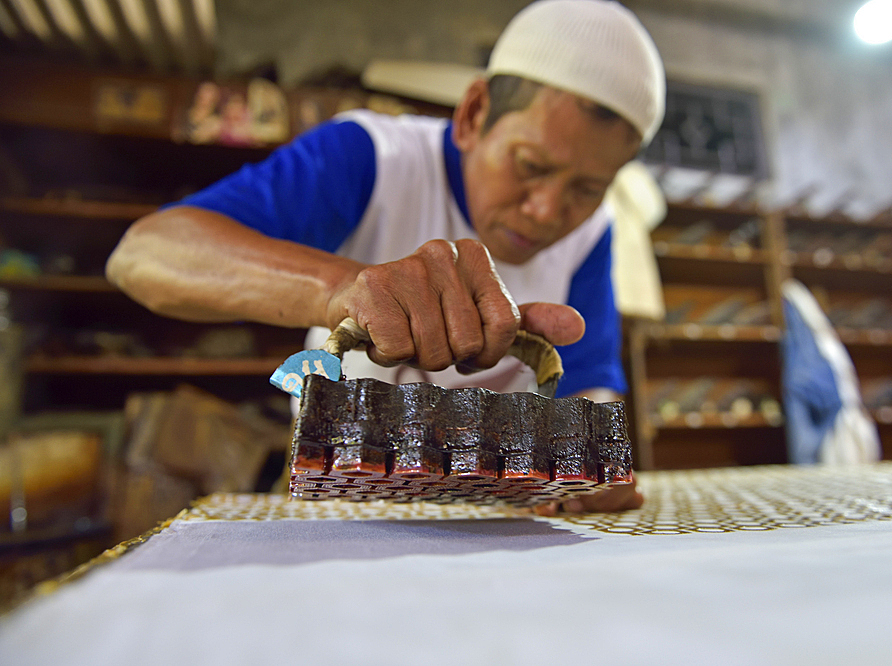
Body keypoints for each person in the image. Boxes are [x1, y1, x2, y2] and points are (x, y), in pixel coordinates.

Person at [106, 0, 665, 514]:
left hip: (503, 512)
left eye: (587, 188)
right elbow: (144, 253)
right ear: (473, 114)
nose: (549, 211)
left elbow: (588, 377)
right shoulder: (373, 159)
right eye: (530, 165)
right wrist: (342, 290)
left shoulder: (594, 228)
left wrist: (590, 464)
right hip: (351, 500)